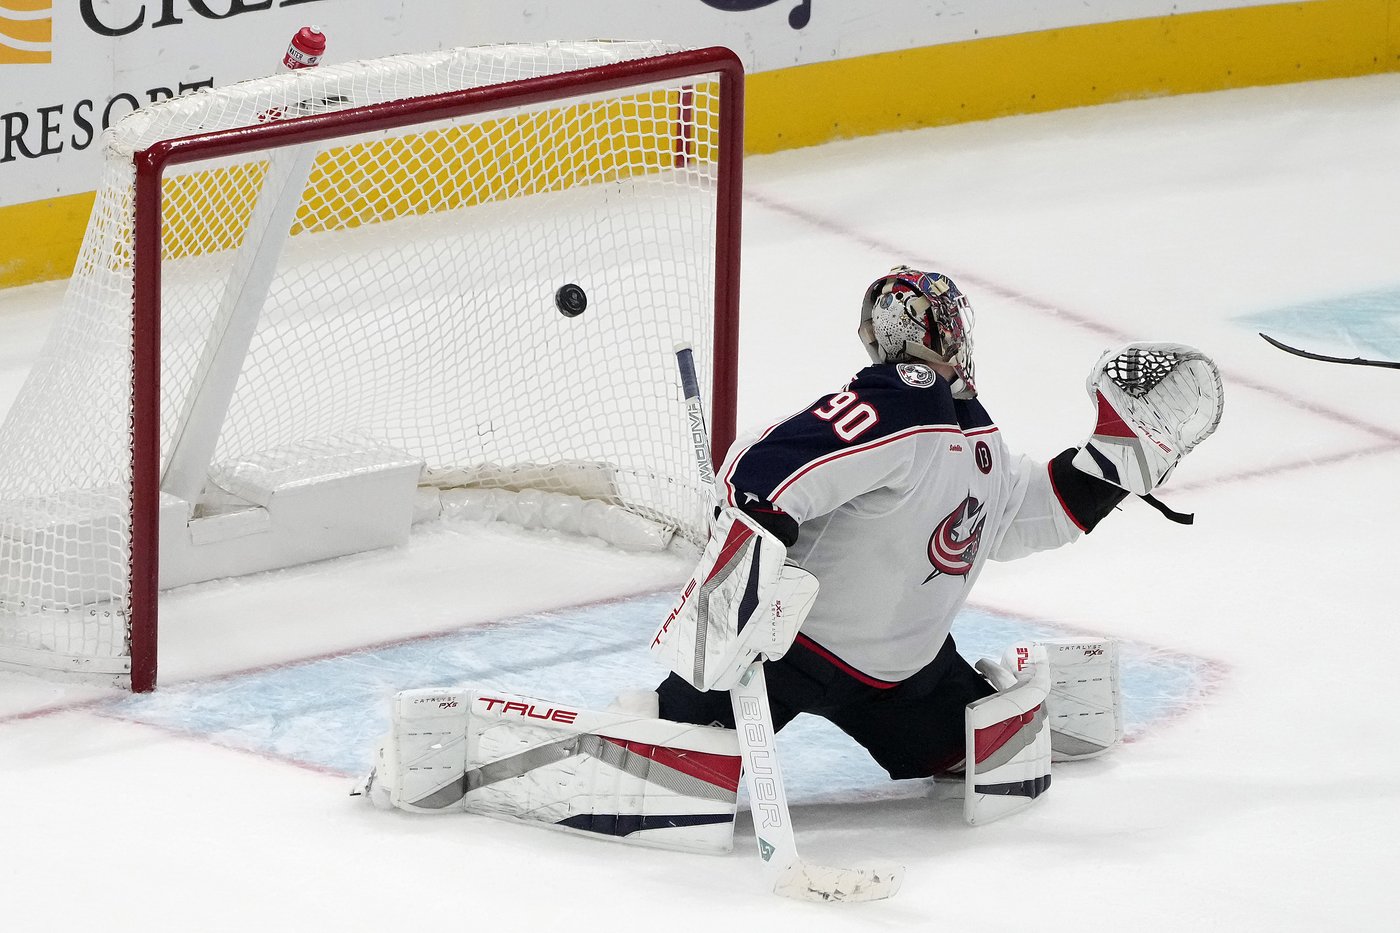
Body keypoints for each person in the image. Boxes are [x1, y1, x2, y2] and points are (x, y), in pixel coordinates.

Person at [648, 265, 1224, 781]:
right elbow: (763, 470)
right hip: (792, 658)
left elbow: (1026, 512)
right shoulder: (900, 405)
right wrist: (751, 530)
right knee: (664, 756)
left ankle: (667, 736)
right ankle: (661, 728)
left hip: (902, 677)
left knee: (979, 756)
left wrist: (1112, 462)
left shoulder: (975, 436)